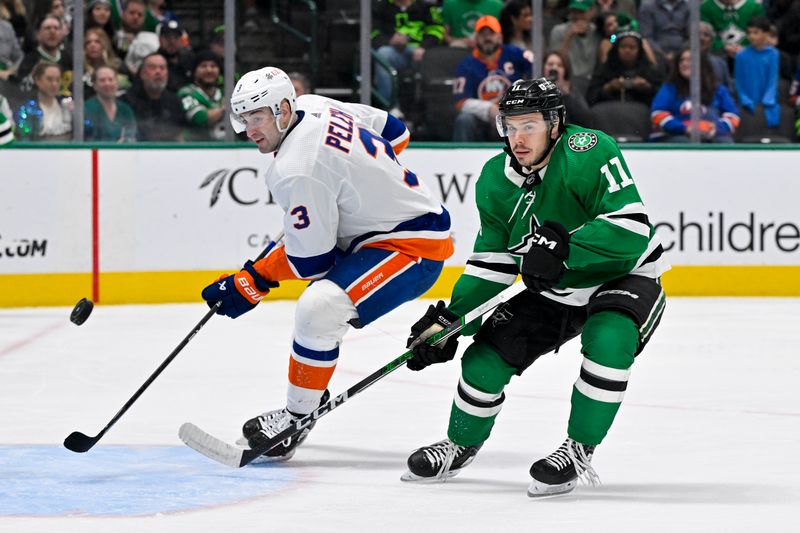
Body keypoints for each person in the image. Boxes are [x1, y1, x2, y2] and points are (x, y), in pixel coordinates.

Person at [400, 77, 669, 497]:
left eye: (529, 126)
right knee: (482, 361)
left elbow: (632, 229)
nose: (518, 138)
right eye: (510, 126)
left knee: (610, 339)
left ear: (555, 124)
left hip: (624, 274)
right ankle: (461, 443)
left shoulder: (589, 151)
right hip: (554, 287)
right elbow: (493, 263)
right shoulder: (494, 179)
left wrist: (566, 248)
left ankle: (578, 449)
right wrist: (452, 321)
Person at [199, 67, 449, 463]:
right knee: (318, 307)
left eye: (257, 117)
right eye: (244, 119)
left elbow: (313, 261)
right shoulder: (314, 105)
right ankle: (307, 397)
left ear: (283, 109)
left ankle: (297, 417)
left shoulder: (296, 168)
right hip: (382, 234)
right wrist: (361, 183)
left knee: (319, 309)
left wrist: (253, 279)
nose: (249, 129)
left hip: (411, 246)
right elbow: (396, 131)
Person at [453, 15, 531, 141]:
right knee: (464, 119)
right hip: (481, 120)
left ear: (500, 37)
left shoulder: (516, 54)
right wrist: (489, 109)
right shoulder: (466, 64)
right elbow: (461, 103)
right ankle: (461, 155)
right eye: (483, 34)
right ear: (476, 38)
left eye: (491, 34)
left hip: (513, 114)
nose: (487, 38)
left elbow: (536, 72)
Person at [650, 48, 740, 142]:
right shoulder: (669, 88)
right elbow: (658, 113)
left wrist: (717, 128)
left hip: (713, 135)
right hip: (677, 135)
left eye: (690, 60)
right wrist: (684, 128)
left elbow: (733, 115)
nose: (684, 63)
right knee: (683, 142)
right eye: (681, 60)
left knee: (724, 143)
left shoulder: (718, 89)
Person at [371, 0, 444, 111]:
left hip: (421, 51)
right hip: (393, 51)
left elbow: (437, 30)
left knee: (433, 57)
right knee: (383, 54)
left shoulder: (425, 6)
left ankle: (431, 109)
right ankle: (391, 107)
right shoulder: (381, 6)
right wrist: (390, 41)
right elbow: (371, 32)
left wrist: (423, 47)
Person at [586, 26, 664, 106]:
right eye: (623, 47)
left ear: (639, 50)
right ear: (616, 49)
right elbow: (590, 98)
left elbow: (663, 99)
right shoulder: (604, 69)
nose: (627, 51)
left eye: (632, 47)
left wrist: (647, 88)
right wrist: (608, 87)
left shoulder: (651, 70)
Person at [122, 51, 184, 141]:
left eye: (162, 68)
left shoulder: (175, 101)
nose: (158, 72)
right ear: (142, 73)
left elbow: (179, 135)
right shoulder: (127, 101)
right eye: (152, 67)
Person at [734, 17, 780, 128]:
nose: (751, 36)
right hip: (745, 103)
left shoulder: (773, 54)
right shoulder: (741, 55)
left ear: (766, 33)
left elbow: (772, 80)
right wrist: (745, 100)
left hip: (767, 103)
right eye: (749, 33)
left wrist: (767, 100)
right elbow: (738, 81)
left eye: (756, 33)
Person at [14, 61, 72, 141]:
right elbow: (24, 139)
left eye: (58, 80)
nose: (54, 84)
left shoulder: (67, 107)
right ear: (37, 80)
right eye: (49, 79)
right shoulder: (27, 110)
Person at [549, 0, 600, 86]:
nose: (577, 16)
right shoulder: (558, 31)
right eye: (574, 12)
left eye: (581, 12)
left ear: (592, 12)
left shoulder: (596, 31)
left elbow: (612, 39)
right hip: (569, 81)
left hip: (591, 81)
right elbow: (556, 61)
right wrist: (569, 36)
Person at [178, 50, 224, 141]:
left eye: (213, 66)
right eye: (203, 66)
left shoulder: (226, 92)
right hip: (196, 149)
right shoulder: (185, 93)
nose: (209, 70)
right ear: (194, 71)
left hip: (226, 148)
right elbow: (200, 117)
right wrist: (224, 108)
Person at [84, 64, 137, 141]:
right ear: (95, 85)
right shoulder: (87, 108)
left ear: (117, 83)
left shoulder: (125, 109)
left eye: (111, 79)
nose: (107, 83)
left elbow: (131, 135)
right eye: (102, 80)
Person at [543, 50, 592, 126]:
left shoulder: (571, 90)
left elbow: (586, 119)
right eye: (550, 64)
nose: (554, 68)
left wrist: (566, 94)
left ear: (565, 71)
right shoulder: (534, 89)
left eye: (559, 65)